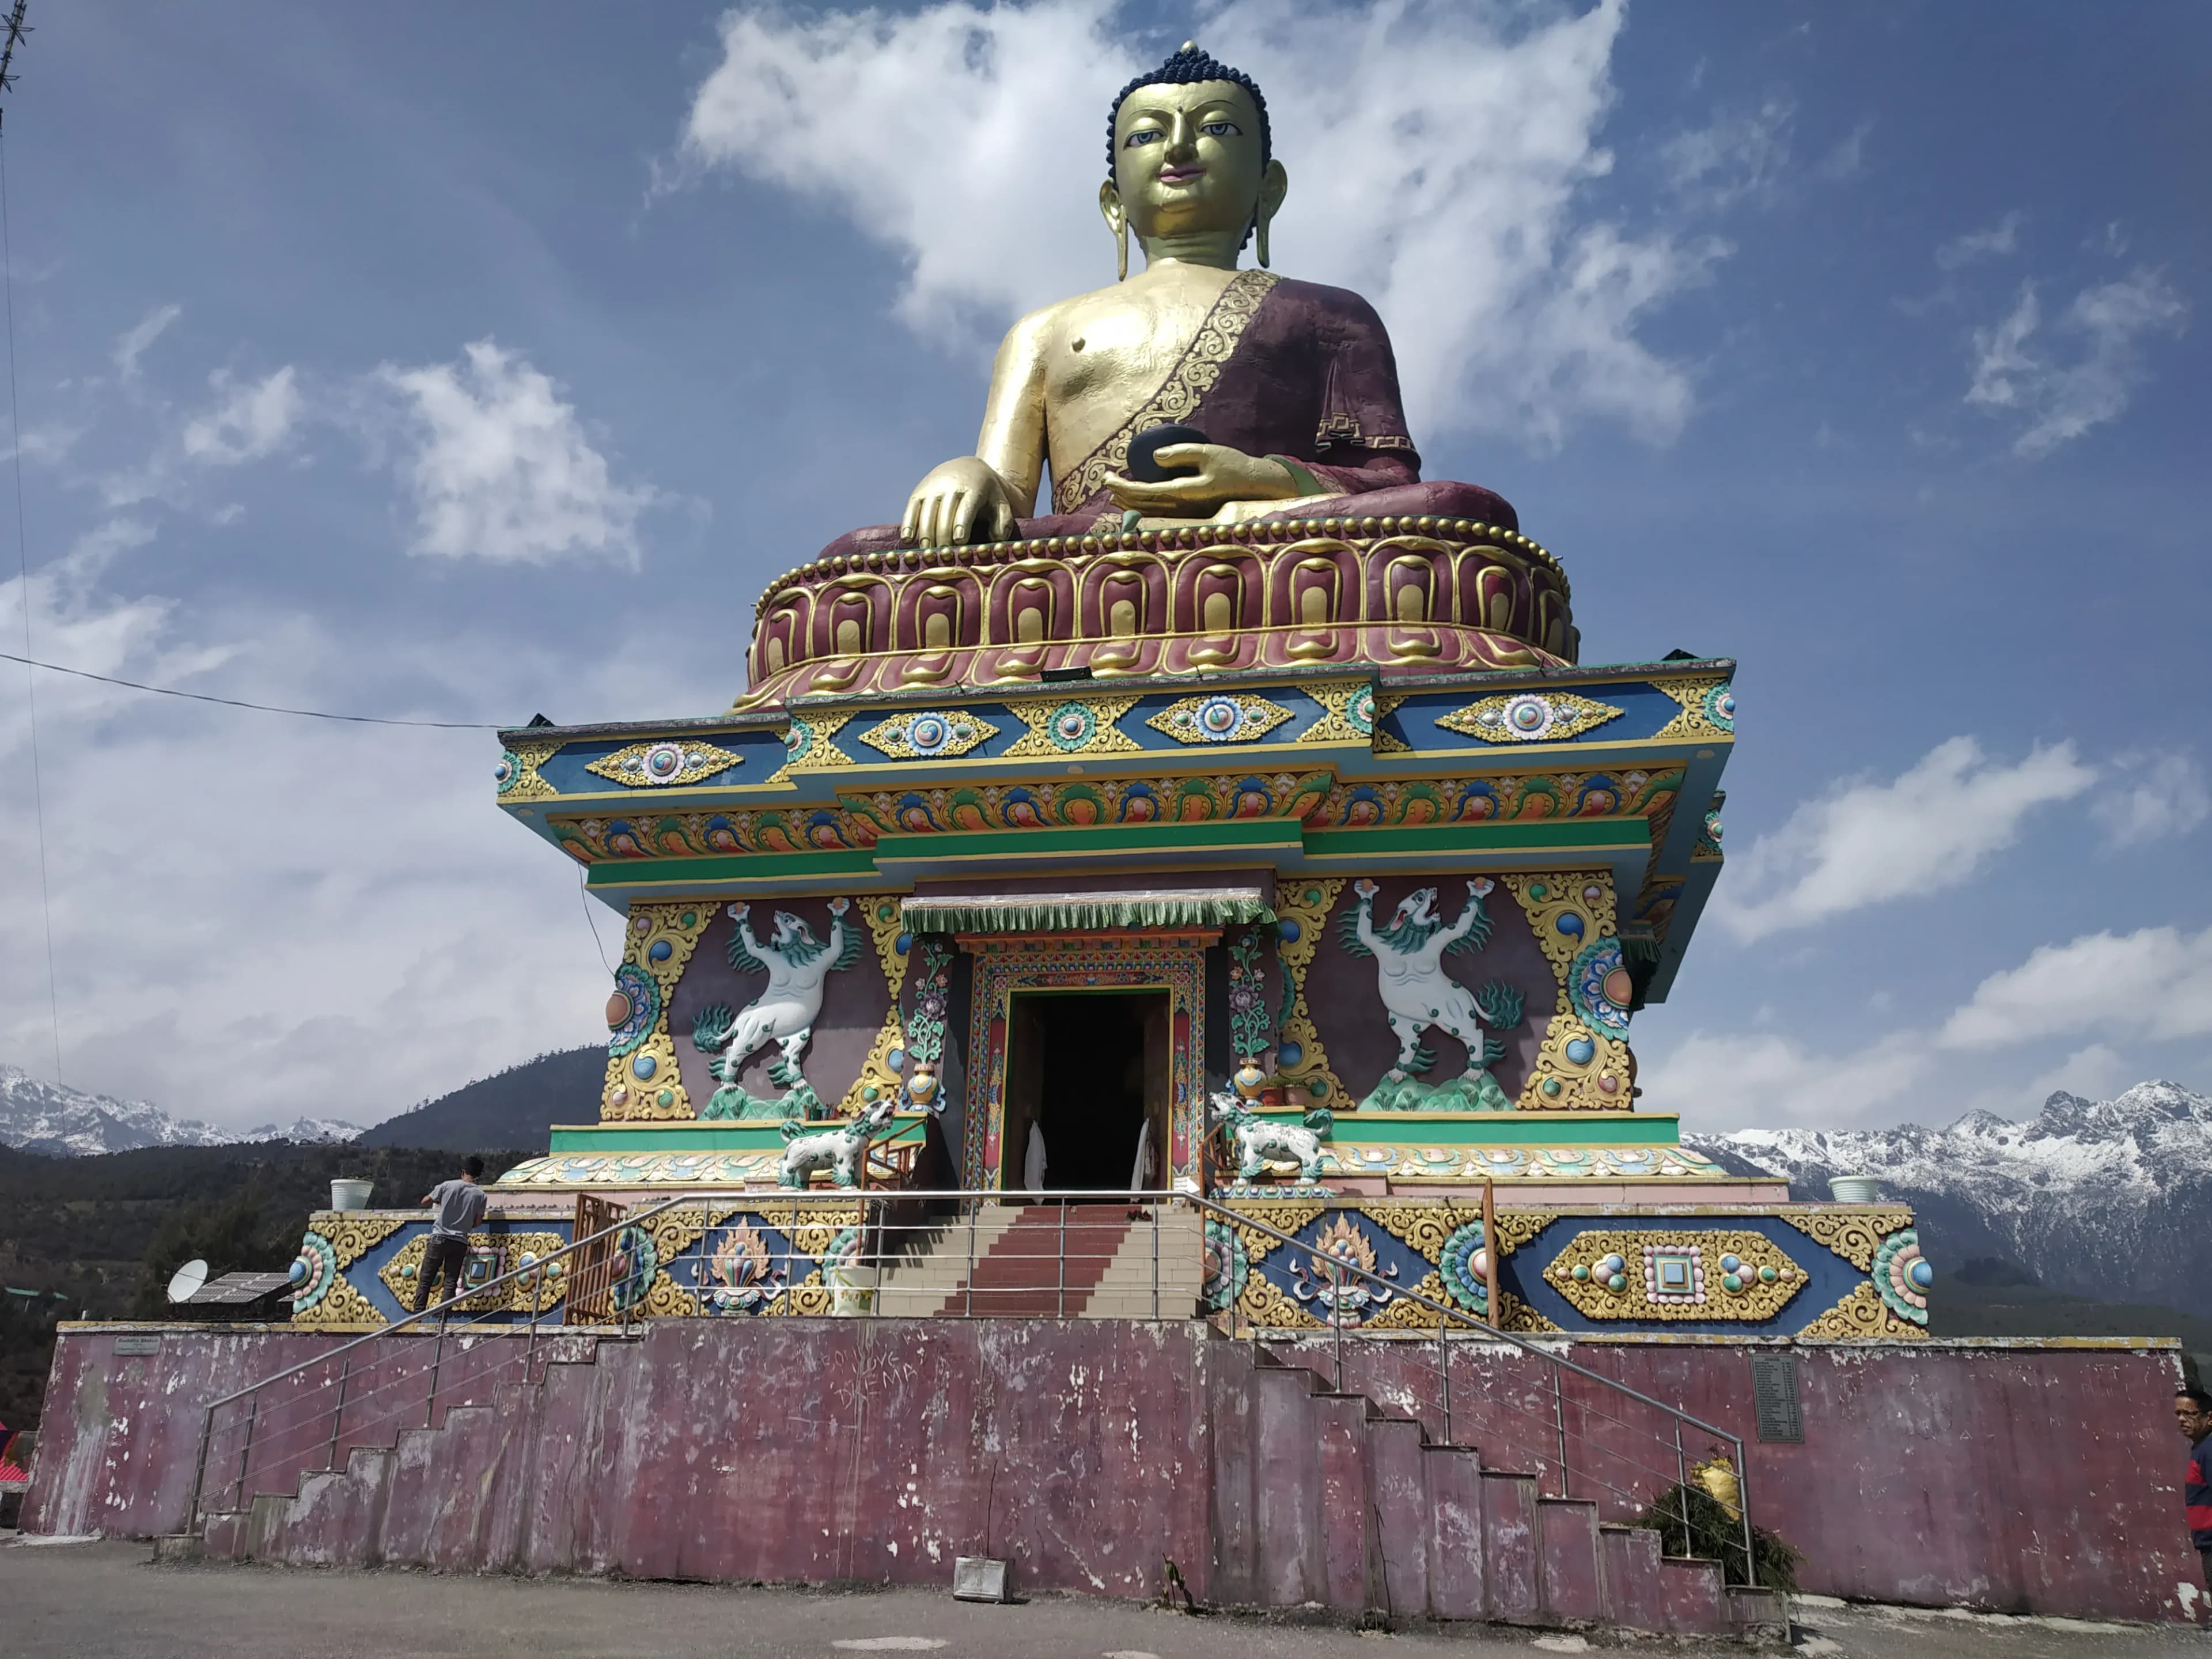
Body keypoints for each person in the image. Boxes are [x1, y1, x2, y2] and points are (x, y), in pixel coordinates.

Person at [413, 1155, 489, 1316]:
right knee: (451, 1281)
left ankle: (417, 1315)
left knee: (426, 1278)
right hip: (460, 1241)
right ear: (478, 1175)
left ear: (463, 1172)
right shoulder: (481, 1196)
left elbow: (425, 1201)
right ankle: (443, 1316)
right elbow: (477, 1223)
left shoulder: (447, 1185)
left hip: (439, 1237)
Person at [2181, 1385, 2212, 1596]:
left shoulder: (2208, 1451)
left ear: (2209, 1418)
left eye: (2189, 1414)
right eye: (2178, 1414)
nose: (2182, 1419)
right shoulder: (2202, 1448)